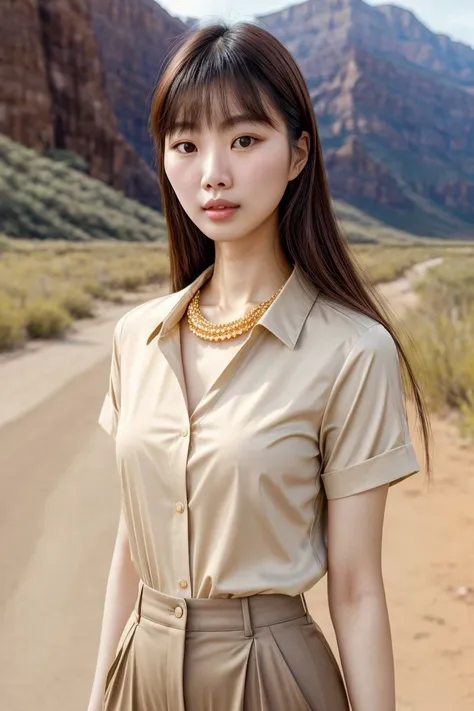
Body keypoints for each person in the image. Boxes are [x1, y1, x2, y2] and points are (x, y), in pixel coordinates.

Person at [87, 20, 432, 711]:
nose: (213, 171)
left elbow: (358, 587)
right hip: (140, 671)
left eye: (245, 140)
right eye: (186, 144)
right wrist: (99, 696)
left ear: (299, 153)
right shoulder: (136, 337)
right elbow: (131, 546)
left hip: (270, 679)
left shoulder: (354, 351)